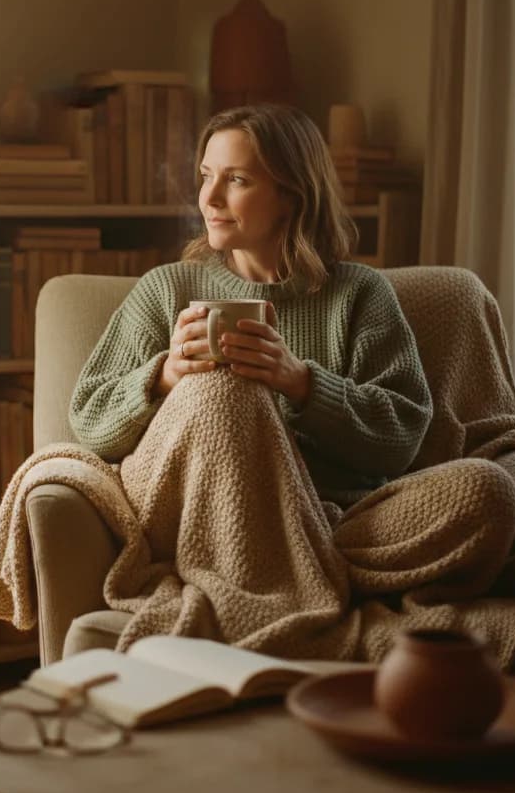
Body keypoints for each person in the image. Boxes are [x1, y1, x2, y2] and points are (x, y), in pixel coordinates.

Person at [69, 103, 434, 509]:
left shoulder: (359, 293)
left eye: (236, 180)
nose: (210, 198)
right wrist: (164, 377)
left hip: (327, 512)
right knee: (221, 393)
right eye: (206, 176)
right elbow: (89, 419)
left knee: (480, 484)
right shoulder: (166, 290)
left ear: (291, 195)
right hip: (201, 508)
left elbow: (401, 439)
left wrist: (302, 384)